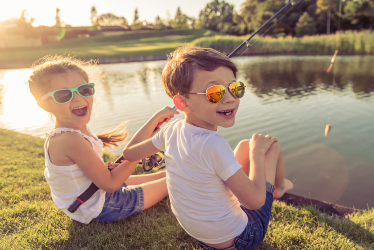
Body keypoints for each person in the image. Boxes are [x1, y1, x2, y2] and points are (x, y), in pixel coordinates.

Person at [123, 46, 293, 249]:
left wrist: (155, 119)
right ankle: (279, 187)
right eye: (215, 92)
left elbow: (129, 153)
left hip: (199, 234)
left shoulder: (171, 129)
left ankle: (267, 184)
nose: (230, 98)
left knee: (243, 145)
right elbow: (256, 202)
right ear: (182, 103)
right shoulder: (212, 144)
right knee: (269, 147)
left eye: (234, 88)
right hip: (238, 240)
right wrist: (256, 153)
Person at [28, 55, 172, 224]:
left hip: (93, 195)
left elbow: (111, 171)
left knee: (168, 174)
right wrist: (137, 154)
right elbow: (111, 184)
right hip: (100, 206)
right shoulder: (69, 139)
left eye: (84, 90)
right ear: (45, 104)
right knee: (177, 179)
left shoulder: (75, 131)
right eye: (63, 95)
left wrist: (153, 121)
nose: (78, 98)